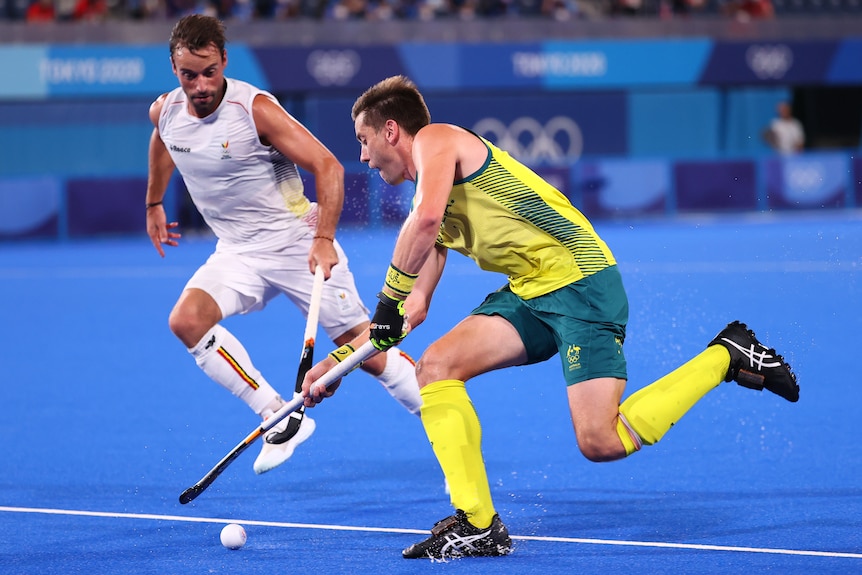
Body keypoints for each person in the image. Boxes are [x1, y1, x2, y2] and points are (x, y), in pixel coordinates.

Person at [300, 75, 800, 560]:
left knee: (601, 441)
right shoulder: (431, 204)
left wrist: (386, 300)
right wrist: (339, 363)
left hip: (581, 283)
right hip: (531, 294)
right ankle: (478, 525)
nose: (363, 156)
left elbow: (419, 232)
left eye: (364, 140)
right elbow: (412, 310)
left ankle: (724, 356)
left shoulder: (437, 139)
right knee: (437, 366)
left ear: (392, 131)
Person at [145, 17, 422, 476]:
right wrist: (154, 200)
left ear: (224, 62)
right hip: (236, 252)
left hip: (295, 241)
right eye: (188, 74)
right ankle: (280, 416)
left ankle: (437, 410)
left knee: (363, 349)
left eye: (209, 71)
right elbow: (163, 143)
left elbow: (328, 166)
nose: (200, 85)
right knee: (187, 320)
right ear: (174, 70)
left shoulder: (254, 109)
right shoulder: (166, 111)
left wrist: (324, 238)